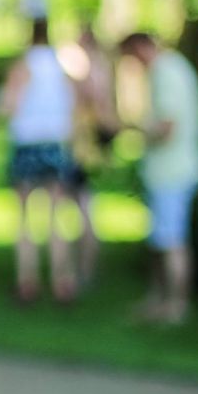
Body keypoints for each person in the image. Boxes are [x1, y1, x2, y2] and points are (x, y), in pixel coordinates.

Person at [118, 31, 198, 325]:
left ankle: (176, 305)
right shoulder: (171, 68)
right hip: (169, 170)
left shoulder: (167, 72)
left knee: (171, 241)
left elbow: (166, 128)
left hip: (173, 171)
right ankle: (159, 299)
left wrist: (135, 128)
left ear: (141, 48)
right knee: (161, 240)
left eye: (131, 57)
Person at [2, 17, 77, 302]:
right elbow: (72, 103)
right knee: (57, 215)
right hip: (55, 142)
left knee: (25, 218)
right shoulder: (62, 65)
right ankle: (63, 280)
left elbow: (10, 104)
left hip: (27, 141)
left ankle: (27, 280)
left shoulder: (23, 65)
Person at [69, 24, 119, 285]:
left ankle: (84, 271)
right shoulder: (100, 68)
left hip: (84, 151)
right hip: (86, 149)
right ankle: (81, 268)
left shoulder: (90, 71)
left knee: (85, 212)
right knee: (83, 212)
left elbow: (102, 113)